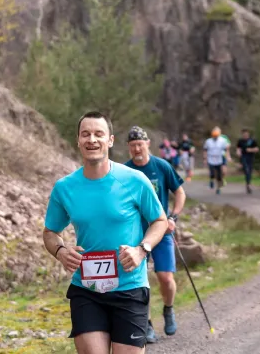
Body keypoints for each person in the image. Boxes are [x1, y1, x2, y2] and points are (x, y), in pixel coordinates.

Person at [42, 111, 169, 354]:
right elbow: (50, 232)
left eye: (99, 134)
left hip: (130, 287)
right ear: (78, 141)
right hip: (87, 290)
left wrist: (142, 250)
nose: (92, 139)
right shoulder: (65, 187)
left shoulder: (135, 180)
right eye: (85, 134)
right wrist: (60, 251)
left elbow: (159, 221)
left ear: (110, 140)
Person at [124, 126, 186, 343]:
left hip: (161, 230)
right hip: (135, 234)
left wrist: (173, 217)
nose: (136, 149)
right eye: (132, 146)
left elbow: (179, 192)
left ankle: (168, 309)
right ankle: (146, 324)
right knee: (140, 281)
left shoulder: (161, 166)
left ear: (148, 143)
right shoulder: (125, 171)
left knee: (165, 277)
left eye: (139, 144)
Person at [203, 127, 230, 195]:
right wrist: (205, 159)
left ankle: (218, 188)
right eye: (214, 136)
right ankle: (211, 181)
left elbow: (226, 149)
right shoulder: (208, 141)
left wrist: (227, 157)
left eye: (216, 136)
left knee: (219, 176)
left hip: (219, 160)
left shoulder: (222, 141)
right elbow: (205, 150)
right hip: (211, 159)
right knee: (212, 173)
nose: (215, 137)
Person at [236, 129, 259, 194]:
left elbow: (257, 149)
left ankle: (248, 184)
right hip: (243, 157)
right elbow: (238, 149)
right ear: (242, 134)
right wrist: (238, 153)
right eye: (244, 134)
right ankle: (248, 185)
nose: (245, 135)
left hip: (251, 157)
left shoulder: (252, 141)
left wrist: (250, 150)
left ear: (248, 134)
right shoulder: (240, 141)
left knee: (249, 171)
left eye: (246, 134)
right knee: (246, 170)